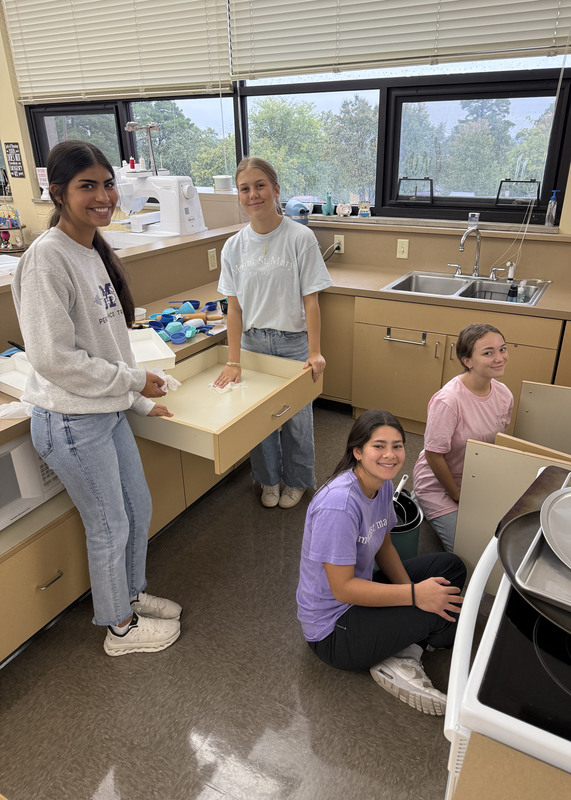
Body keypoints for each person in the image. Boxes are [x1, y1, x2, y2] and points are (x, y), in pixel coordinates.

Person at [12, 140, 182, 657]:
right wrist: (133, 385)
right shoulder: (47, 259)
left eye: (107, 183)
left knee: (137, 506)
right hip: (70, 422)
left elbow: (104, 346)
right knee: (109, 524)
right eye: (88, 185)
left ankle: (128, 593)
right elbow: (56, 360)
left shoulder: (90, 250)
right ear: (58, 192)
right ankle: (120, 628)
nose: (103, 195)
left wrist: (137, 397)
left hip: (102, 413)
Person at [296, 410, 466, 716]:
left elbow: (383, 543)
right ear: (358, 452)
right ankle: (397, 662)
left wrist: (410, 593)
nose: (390, 455)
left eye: (397, 446)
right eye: (379, 446)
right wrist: (415, 598)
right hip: (333, 632)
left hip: (363, 594)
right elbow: (343, 590)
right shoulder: (338, 506)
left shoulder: (381, 482)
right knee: (447, 616)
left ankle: (401, 651)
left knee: (451, 568)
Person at [214, 157, 332, 509]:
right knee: (259, 422)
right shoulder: (233, 247)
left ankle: (297, 480)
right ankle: (267, 480)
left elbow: (311, 302)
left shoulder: (300, 238)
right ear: (238, 195)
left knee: (296, 421)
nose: (253, 194)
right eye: (245, 188)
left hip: (293, 343)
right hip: (253, 344)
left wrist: (315, 351)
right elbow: (233, 310)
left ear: (276, 189)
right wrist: (233, 359)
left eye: (260, 185)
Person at [413, 322, 513, 553]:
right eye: (488, 353)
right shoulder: (448, 401)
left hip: (475, 475)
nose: (499, 358)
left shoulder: (504, 395)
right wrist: (458, 496)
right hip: (439, 482)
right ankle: (422, 499)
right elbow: (433, 454)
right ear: (467, 361)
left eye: (503, 349)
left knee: (505, 534)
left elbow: (496, 445)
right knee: (469, 552)